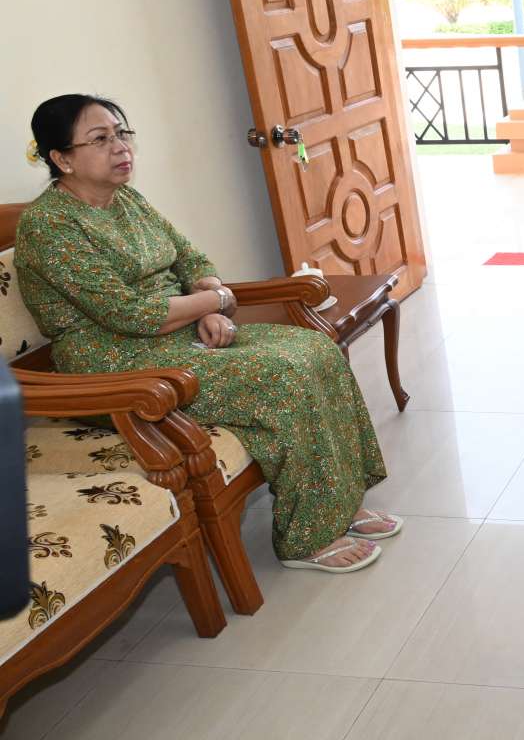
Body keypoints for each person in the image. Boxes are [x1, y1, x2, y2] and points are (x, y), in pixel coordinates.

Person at [17, 94, 397, 574]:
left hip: (172, 333)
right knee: (282, 376)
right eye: (100, 139)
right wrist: (214, 303)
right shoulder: (49, 225)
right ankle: (308, 538)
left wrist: (206, 298)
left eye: (121, 133)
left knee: (315, 348)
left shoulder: (126, 200)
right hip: (111, 363)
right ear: (62, 159)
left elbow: (190, 259)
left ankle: (339, 504)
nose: (119, 147)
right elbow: (130, 314)